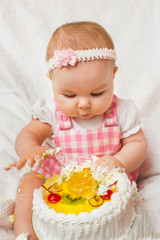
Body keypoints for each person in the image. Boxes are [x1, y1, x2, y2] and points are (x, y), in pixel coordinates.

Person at [11, 21, 147, 240]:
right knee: (28, 185)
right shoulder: (52, 113)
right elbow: (29, 134)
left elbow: (138, 143)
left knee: (123, 205)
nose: (83, 104)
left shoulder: (122, 111)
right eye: (69, 95)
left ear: (113, 75)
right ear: (51, 81)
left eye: (97, 93)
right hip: (58, 178)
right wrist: (30, 148)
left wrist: (120, 161)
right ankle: (27, 233)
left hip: (104, 179)